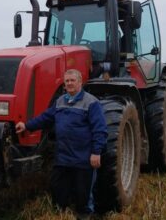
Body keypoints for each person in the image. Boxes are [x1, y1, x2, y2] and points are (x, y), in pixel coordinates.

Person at [15, 69, 107, 217]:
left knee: (83, 195)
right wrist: (27, 125)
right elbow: (45, 118)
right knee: (58, 190)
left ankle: (85, 215)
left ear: (80, 82)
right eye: (67, 81)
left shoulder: (91, 102)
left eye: (72, 80)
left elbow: (100, 130)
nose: (69, 83)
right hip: (63, 157)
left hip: (83, 159)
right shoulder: (60, 101)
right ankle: (61, 214)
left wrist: (96, 152)